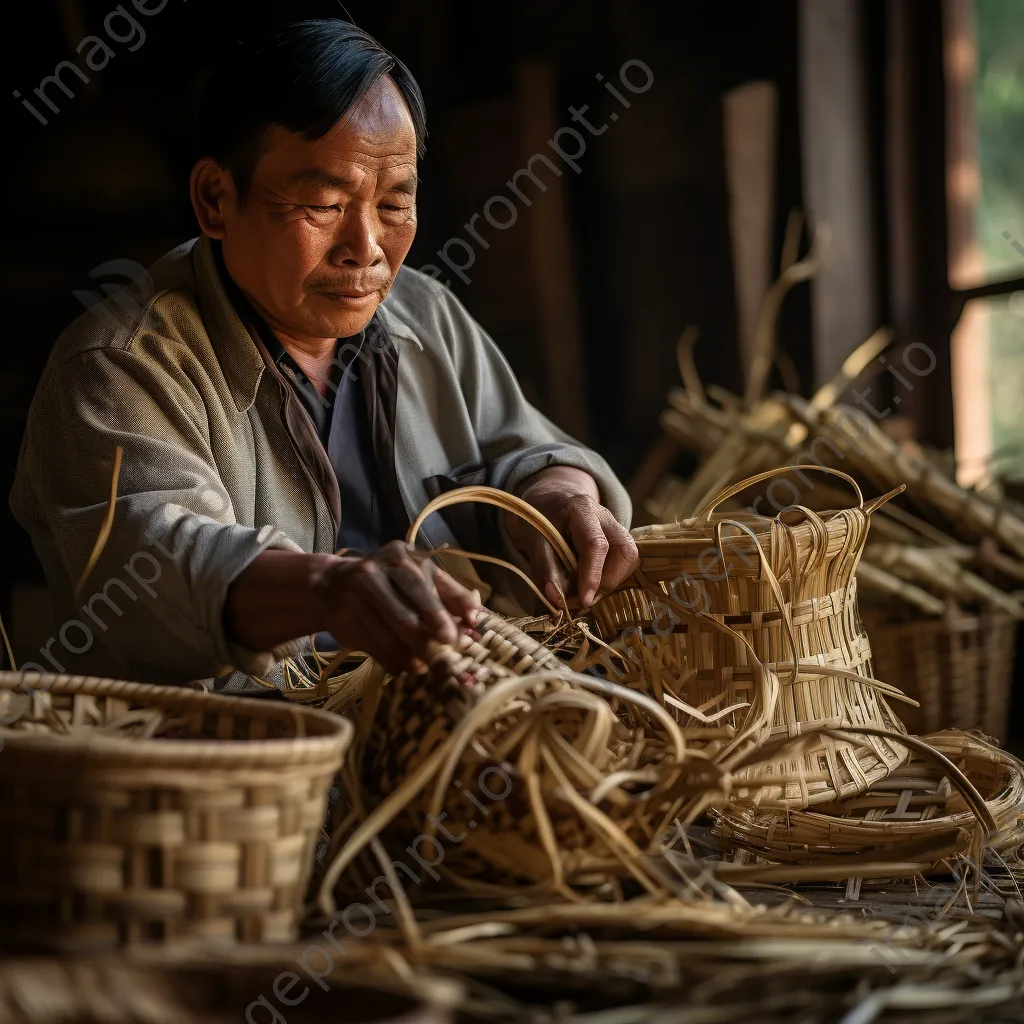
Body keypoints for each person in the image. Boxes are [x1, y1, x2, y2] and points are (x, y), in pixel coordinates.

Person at [10, 19, 636, 688]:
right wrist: (331, 590)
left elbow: (524, 448)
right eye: (324, 204)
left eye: (395, 203)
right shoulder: (119, 367)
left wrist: (557, 491)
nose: (365, 247)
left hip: (435, 747)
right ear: (216, 199)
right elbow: (157, 561)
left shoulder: (423, 316)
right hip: (242, 771)